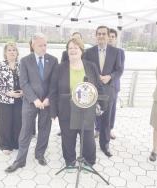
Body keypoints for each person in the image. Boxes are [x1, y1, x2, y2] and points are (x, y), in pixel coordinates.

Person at [5, 33, 58, 173]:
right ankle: (20, 160)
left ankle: (39, 154)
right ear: (33, 45)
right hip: (30, 102)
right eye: (40, 45)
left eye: (45, 45)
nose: (43, 47)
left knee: (44, 129)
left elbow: (54, 83)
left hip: (46, 102)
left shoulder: (53, 60)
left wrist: (47, 99)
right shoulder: (25, 61)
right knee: (26, 130)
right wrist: (35, 100)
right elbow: (24, 83)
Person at [50, 38, 106, 167]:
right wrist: (53, 111)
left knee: (88, 140)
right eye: (70, 48)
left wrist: (102, 106)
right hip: (66, 109)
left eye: (76, 47)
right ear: (67, 51)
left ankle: (88, 162)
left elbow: (99, 86)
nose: (73, 50)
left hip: (87, 111)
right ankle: (70, 162)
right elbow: (53, 90)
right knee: (68, 139)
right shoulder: (60, 68)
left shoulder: (91, 66)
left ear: (81, 50)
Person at [84, 26, 122, 157]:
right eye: (98, 34)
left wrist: (110, 77)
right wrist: (94, 77)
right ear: (96, 36)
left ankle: (105, 145)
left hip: (108, 91)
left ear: (107, 36)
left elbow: (119, 70)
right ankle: (88, 145)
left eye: (103, 34)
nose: (101, 36)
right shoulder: (89, 52)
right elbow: (85, 69)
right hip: (92, 91)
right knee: (91, 118)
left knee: (106, 119)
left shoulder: (116, 52)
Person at [0, 42, 23, 155]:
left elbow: (26, 80)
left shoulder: (22, 65)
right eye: (9, 50)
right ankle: (6, 145)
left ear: (17, 52)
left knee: (18, 121)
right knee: (6, 122)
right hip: (4, 99)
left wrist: (23, 91)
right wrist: (8, 93)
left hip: (19, 98)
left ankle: (16, 143)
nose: (12, 52)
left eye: (14, 50)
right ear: (5, 52)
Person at [107, 28, 125, 139]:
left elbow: (120, 70)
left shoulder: (120, 52)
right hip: (100, 86)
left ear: (115, 39)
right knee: (98, 108)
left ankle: (109, 129)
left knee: (112, 109)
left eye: (113, 37)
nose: (110, 38)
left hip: (113, 85)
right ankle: (98, 129)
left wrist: (110, 78)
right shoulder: (100, 51)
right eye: (109, 36)